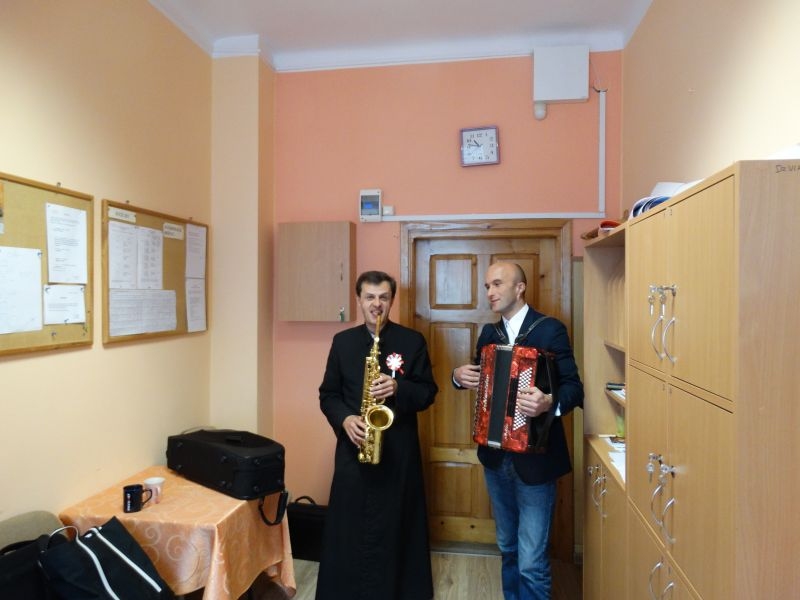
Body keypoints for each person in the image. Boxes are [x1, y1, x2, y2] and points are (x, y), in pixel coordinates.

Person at [453, 261, 583, 600]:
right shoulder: (489, 334)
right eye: (487, 286)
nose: (490, 292)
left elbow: (574, 389)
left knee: (531, 560)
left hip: (536, 461)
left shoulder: (549, 330)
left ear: (520, 287)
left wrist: (549, 403)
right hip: (495, 459)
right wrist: (458, 377)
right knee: (507, 546)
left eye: (497, 284)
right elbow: (480, 379)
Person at [317, 270, 438, 600]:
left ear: (392, 300)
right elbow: (328, 394)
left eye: (383, 297)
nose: (376, 304)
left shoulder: (412, 341)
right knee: (349, 526)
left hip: (399, 452)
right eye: (369, 297)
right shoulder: (343, 342)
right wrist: (345, 420)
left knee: (397, 526)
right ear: (358, 300)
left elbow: (428, 392)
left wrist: (398, 387)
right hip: (354, 447)